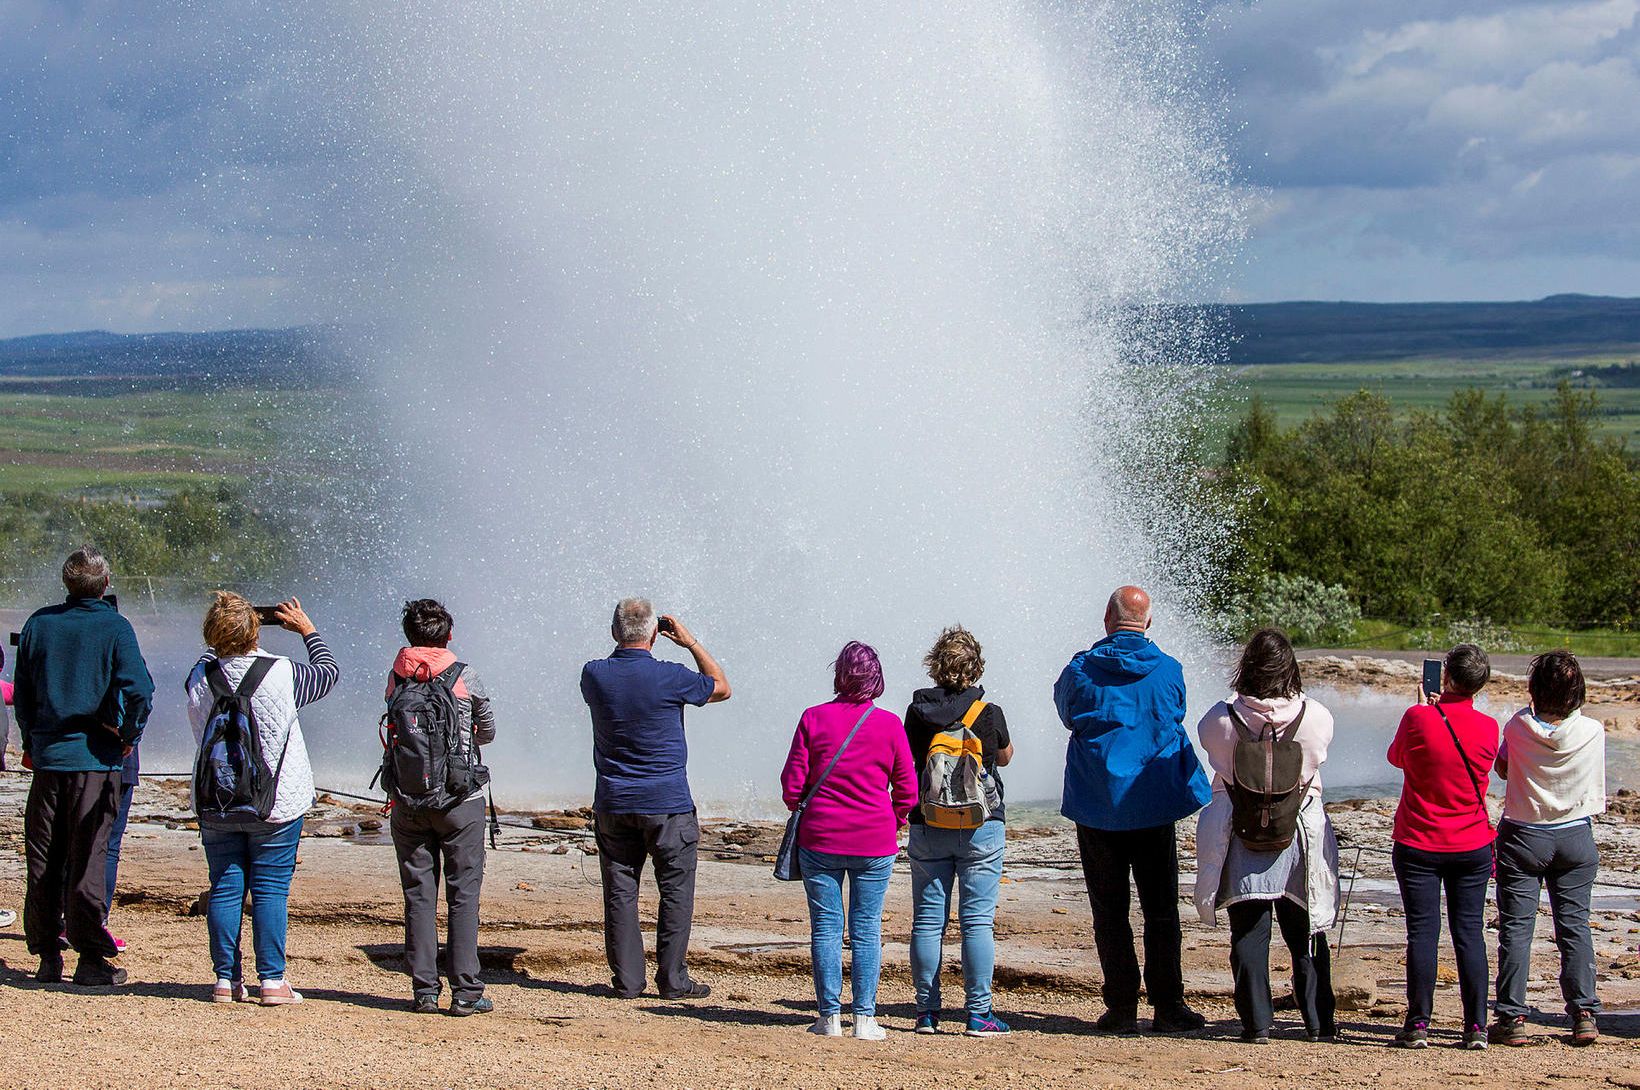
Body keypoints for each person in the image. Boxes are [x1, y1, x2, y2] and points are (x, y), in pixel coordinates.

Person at [1054, 585, 1210, 1034]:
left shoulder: (1080, 671)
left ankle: (1122, 1007)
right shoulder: (1168, 670)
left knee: (1110, 910)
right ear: (1148, 623)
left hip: (1098, 804)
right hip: (1154, 804)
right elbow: (1176, 711)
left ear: (1107, 618)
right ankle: (1168, 1006)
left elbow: (1068, 713)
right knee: (1161, 910)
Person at [186, 591, 339, 1006]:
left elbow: (209, 657)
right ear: (255, 630)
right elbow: (329, 672)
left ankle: (224, 980)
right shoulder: (282, 672)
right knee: (271, 890)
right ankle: (271, 982)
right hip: (277, 801)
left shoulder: (200, 676)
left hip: (217, 799)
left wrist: (224, 633)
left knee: (224, 885)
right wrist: (306, 629)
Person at [14, 545, 153, 986]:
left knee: (44, 859)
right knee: (88, 857)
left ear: (66, 583)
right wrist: (129, 737)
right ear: (106, 584)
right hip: (96, 760)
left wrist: (32, 742)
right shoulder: (114, 627)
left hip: (50, 759)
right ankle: (90, 959)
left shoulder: (39, 624)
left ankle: (47, 955)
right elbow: (141, 692)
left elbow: (24, 693)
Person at [579, 598, 730, 1000]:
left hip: (614, 802)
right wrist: (691, 642)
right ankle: (673, 979)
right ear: (654, 634)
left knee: (620, 891)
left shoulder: (593, 675)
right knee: (676, 890)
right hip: (668, 803)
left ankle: (628, 981)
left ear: (614, 632)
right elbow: (722, 687)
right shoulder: (671, 676)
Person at [1194, 628, 1339, 1044]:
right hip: (1299, 832)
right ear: (1289, 668)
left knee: (1249, 933)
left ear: (1246, 669)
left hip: (1241, 832)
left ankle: (1257, 1023)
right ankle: (1317, 1022)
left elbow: (1217, 761)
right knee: (1307, 931)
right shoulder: (1317, 716)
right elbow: (1318, 757)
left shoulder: (1219, 720)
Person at [781, 641, 916, 1040]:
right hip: (874, 842)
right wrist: (893, 819)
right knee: (866, 928)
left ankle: (828, 1018)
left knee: (825, 926)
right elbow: (907, 790)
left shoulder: (813, 718)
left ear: (839, 675)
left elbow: (792, 788)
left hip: (820, 838)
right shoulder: (889, 724)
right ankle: (865, 1018)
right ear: (876, 678)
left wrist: (808, 804)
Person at [385, 599, 498, 1016]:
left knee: (418, 895)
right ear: (448, 635)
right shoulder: (465, 675)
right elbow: (486, 730)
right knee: (463, 895)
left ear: (409, 636)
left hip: (408, 799)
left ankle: (425, 991)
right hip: (460, 799)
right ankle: (466, 991)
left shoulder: (397, 675)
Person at [1489, 650, 1604, 1047]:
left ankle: (1511, 1016)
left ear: (1535, 690)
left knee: (1517, 928)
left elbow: (1502, 769)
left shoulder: (1518, 726)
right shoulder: (1593, 729)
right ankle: (1584, 1012)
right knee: (1574, 926)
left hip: (1524, 833)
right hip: (1575, 834)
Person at [903, 625, 1014, 1037]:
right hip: (980, 825)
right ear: (975, 667)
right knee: (977, 923)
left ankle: (927, 1013)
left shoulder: (917, 712)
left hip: (927, 823)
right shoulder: (989, 712)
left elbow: (907, 761)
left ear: (936, 666)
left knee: (928, 923)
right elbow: (1003, 756)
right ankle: (978, 1014)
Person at [1388, 642, 1498, 1050]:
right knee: (1469, 933)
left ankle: (1418, 1024)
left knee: (1422, 932)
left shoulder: (1417, 717)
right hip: (1471, 842)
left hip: (1419, 840)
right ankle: (1476, 1027)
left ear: (1445, 677)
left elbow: (1397, 757)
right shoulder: (1489, 727)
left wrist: (1425, 709)